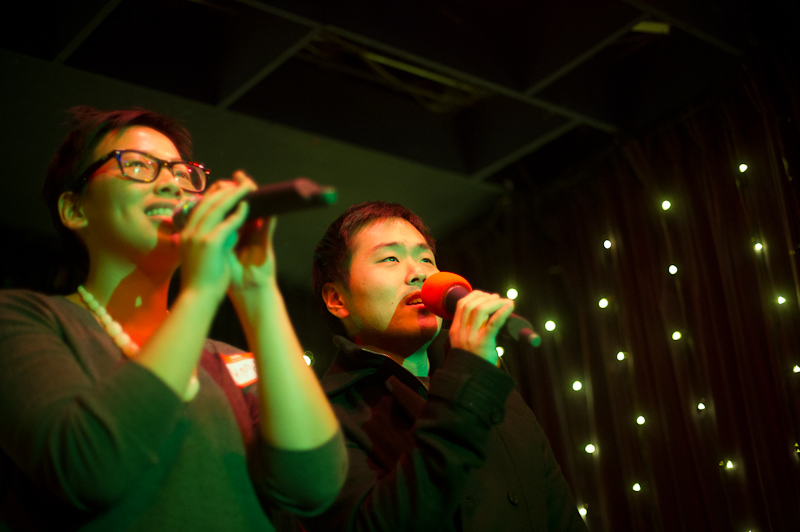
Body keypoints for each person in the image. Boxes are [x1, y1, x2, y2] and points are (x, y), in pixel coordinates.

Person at [0, 106, 346, 531]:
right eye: (137, 166)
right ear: (74, 209)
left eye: (183, 174)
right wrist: (201, 292)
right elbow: (86, 469)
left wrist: (257, 290)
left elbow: (313, 486)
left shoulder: (229, 362)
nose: (171, 185)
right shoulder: (25, 320)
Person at [300, 201, 587, 531]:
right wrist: (468, 382)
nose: (419, 273)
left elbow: (556, 508)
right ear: (337, 299)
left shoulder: (487, 377)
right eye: (390, 258)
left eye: (426, 259)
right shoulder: (321, 416)